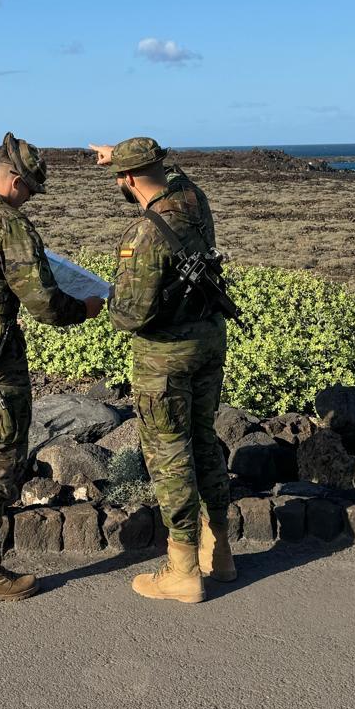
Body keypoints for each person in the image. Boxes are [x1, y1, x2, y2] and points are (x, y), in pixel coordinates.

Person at [0, 132, 104, 605]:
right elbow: (45, 305)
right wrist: (86, 308)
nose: (29, 198)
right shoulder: (9, 224)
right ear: (13, 179)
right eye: (29, 189)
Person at [93, 137, 232, 604]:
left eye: (121, 176)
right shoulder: (195, 201)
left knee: (169, 454)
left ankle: (183, 569)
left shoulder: (144, 234)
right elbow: (173, 177)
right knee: (204, 438)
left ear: (128, 180)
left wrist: (106, 301)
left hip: (165, 358)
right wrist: (128, 157)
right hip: (209, 339)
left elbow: (130, 316)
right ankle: (221, 551)